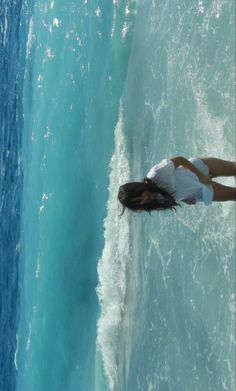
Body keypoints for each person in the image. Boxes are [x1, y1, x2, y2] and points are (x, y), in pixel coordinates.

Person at [118, 157, 236, 214]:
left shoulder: (156, 174)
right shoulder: (154, 202)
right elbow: (172, 191)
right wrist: (184, 198)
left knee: (234, 168)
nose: (143, 199)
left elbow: (180, 160)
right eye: (139, 202)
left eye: (140, 195)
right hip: (199, 191)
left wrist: (201, 176)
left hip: (198, 169)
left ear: (137, 188)